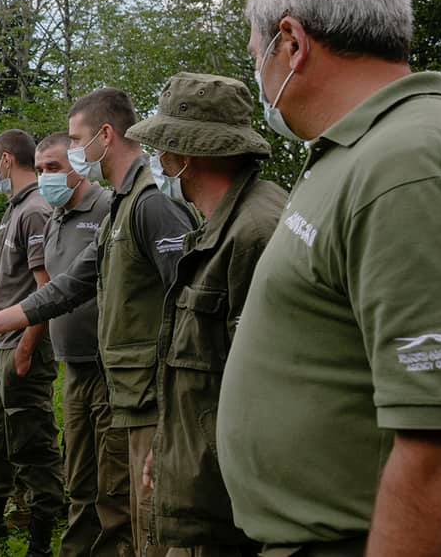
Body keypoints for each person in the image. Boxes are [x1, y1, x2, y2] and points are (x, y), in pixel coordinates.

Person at [213, 0, 441, 557]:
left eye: (256, 56)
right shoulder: (364, 152)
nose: (259, 76)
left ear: (292, 43)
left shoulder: (413, 165)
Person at [0, 88, 197, 557]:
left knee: (129, 501)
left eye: (77, 140)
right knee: (88, 486)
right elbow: (66, 287)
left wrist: (177, 402)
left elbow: (187, 302)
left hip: (138, 386)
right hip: (102, 373)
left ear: (106, 135)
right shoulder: (123, 204)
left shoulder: (151, 203)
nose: (74, 152)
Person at [125, 73, 286, 557]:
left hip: (236, 504)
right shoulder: (223, 225)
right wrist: (167, 446)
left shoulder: (256, 234)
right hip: (209, 480)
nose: (158, 159)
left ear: (185, 154)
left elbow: (264, 388)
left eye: (163, 147)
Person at [0, 129, 64, 557]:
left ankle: (40, 539)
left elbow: (47, 289)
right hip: (2, 344)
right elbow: (16, 273)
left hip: (24, 346)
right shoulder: (15, 209)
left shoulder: (36, 210)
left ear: (5, 160)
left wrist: (26, 348)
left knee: (31, 441)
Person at [34, 132, 134, 557]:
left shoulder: (109, 207)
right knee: (78, 475)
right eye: (39, 169)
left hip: (108, 367)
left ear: (76, 164)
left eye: (53, 168)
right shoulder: (53, 218)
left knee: (114, 481)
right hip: (72, 365)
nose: (45, 177)